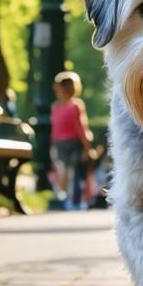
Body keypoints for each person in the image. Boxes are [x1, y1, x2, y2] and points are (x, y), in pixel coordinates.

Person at [51, 71, 94, 210]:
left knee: (63, 172)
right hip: (74, 143)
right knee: (74, 173)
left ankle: (63, 198)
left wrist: (53, 144)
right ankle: (74, 201)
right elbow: (81, 127)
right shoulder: (76, 105)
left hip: (60, 143)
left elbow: (55, 129)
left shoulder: (55, 107)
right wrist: (88, 146)